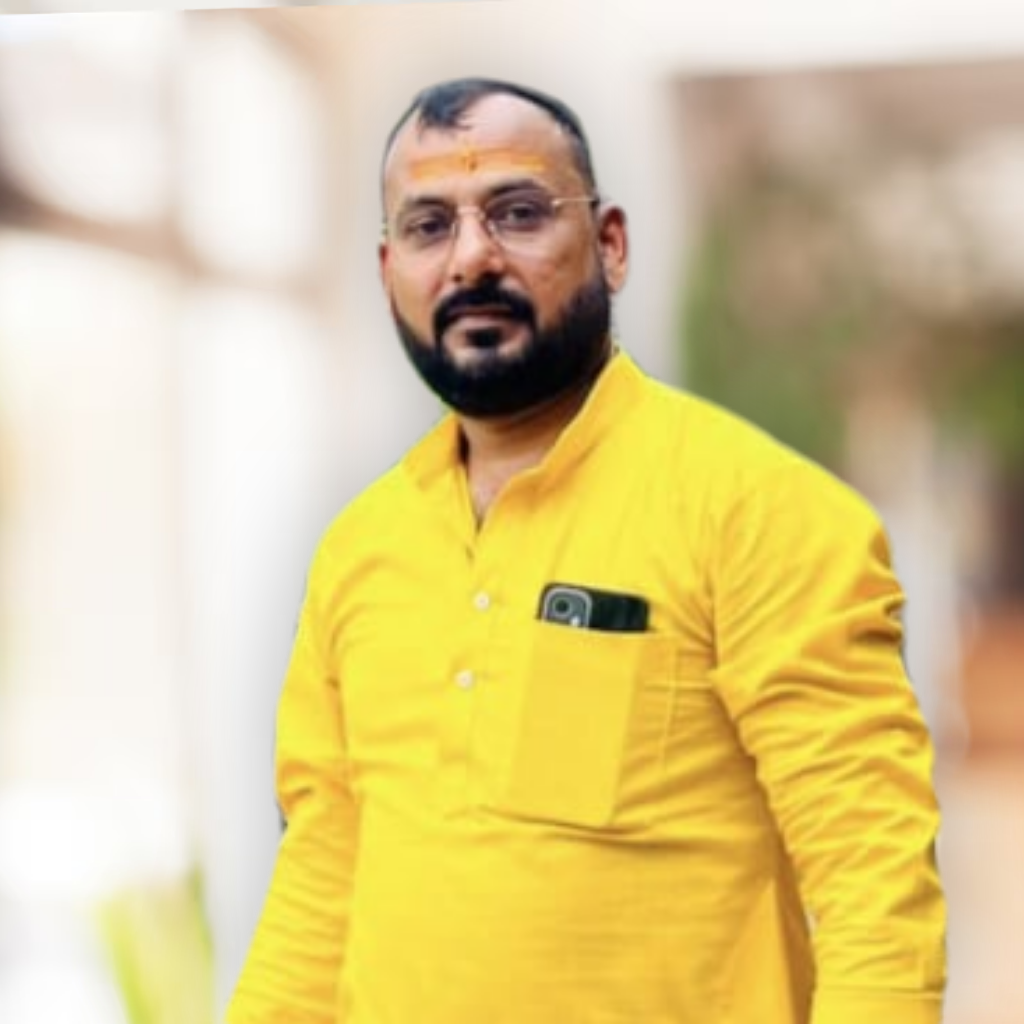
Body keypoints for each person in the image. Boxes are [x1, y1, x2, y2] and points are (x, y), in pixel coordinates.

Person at [226, 77, 947, 1024]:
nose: (471, 257)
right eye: (429, 226)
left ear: (610, 245)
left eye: (518, 213)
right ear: (388, 268)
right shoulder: (360, 549)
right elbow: (322, 876)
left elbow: (871, 885)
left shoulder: (760, 512)